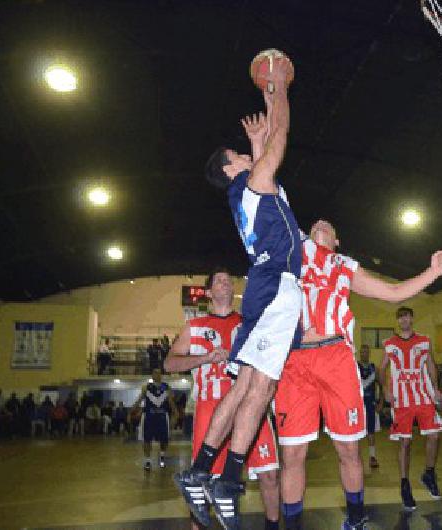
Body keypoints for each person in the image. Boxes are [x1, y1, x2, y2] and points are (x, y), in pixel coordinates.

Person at [174, 62, 302, 530]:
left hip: (268, 290)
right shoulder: (251, 184)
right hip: (276, 291)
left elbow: (266, 150)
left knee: (250, 387)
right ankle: (220, 476)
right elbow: (282, 138)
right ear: (231, 168)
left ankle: (206, 472)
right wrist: (280, 89)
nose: (253, 156)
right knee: (259, 389)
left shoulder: (245, 193)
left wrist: (261, 123)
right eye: (242, 155)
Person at [274, 219, 442, 530]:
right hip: (295, 360)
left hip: (336, 359)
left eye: (329, 225)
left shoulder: (344, 266)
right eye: (316, 222)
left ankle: (355, 519)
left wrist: (434, 272)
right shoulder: (294, 253)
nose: (321, 223)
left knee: (348, 449)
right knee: (291, 455)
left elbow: (393, 292)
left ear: (338, 239)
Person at [165, 268, 281, 530]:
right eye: (219, 280)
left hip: (250, 403)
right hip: (212, 406)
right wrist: (205, 358)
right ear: (208, 293)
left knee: (270, 475)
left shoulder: (248, 323)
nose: (226, 282)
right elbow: (169, 363)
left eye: (229, 280)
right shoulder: (194, 327)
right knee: (201, 483)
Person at [380, 306, 442, 511]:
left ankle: (429, 473)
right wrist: (385, 390)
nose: (404, 320)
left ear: (412, 318)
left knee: (434, 435)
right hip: (401, 398)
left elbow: (431, 364)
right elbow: (381, 368)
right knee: (405, 442)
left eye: (407, 316)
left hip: (423, 395)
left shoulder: (424, 341)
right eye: (400, 317)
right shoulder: (389, 344)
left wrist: (436, 388)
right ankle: (404, 484)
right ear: (398, 321)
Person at [131, 368, 178, 471]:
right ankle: (148, 461)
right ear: (152, 375)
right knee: (147, 439)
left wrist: (176, 413)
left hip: (162, 416)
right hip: (149, 416)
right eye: (155, 373)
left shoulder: (166, 387)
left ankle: (162, 456)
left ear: (161, 375)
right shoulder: (146, 387)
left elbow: (170, 402)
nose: (157, 375)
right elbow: (139, 400)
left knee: (164, 439)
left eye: (159, 373)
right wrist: (131, 411)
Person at [357, 344, 381, 469]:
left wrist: (381, 402)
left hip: (371, 404)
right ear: (360, 353)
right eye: (362, 352)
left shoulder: (374, 368)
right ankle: (356, 458)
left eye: (366, 352)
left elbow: (381, 385)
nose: (364, 354)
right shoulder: (355, 367)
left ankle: (372, 457)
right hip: (359, 405)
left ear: (369, 353)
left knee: (371, 432)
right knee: (357, 432)